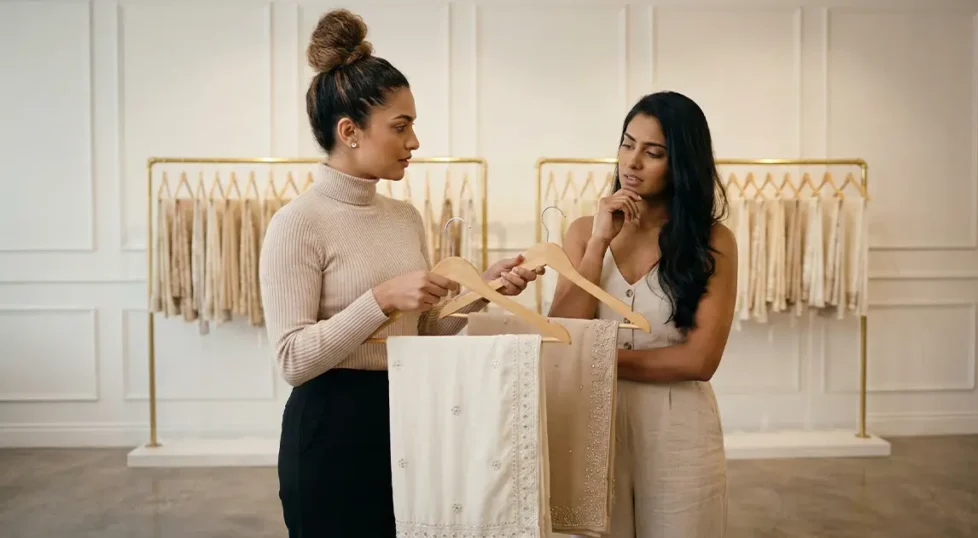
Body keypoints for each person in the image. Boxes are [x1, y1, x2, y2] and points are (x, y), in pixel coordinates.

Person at [258, 9, 544, 537]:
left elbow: (425, 331)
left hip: (410, 418)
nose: (414, 142)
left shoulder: (404, 217)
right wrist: (381, 299)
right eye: (401, 126)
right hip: (329, 430)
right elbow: (293, 360)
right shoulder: (297, 224)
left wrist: (486, 291)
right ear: (349, 131)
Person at [547, 91, 737, 537]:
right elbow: (561, 331)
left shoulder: (714, 242)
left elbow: (699, 361)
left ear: (682, 163)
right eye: (627, 144)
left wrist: (592, 358)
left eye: (653, 153)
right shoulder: (581, 232)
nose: (632, 162)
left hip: (679, 427)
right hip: (592, 420)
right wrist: (598, 244)